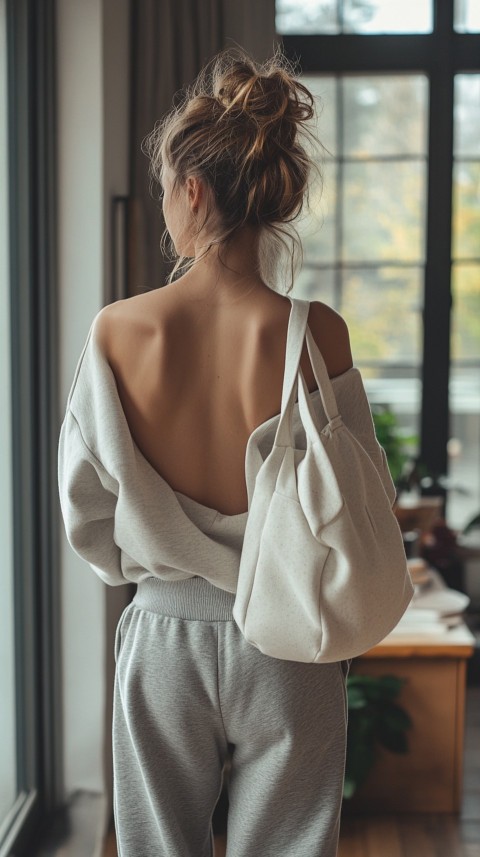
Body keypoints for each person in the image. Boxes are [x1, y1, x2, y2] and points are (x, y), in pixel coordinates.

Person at [58, 46, 395, 857]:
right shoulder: (318, 333)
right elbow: (364, 497)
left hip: (164, 638)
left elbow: (87, 508)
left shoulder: (117, 329)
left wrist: (151, 563)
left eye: (165, 188)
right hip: (290, 637)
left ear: (194, 189)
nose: (164, 205)